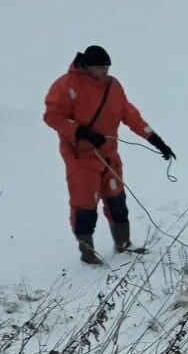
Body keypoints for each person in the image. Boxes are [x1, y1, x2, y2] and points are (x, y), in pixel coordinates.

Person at [43, 44, 176, 264]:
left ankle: (123, 243)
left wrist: (156, 141)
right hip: (81, 158)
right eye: (101, 68)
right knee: (85, 205)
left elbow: (130, 115)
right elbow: (51, 116)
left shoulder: (113, 86)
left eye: (107, 67)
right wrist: (80, 131)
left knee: (117, 200)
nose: (105, 72)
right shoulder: (66, 85)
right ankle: (87, 254)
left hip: (109, 155)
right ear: (87, 67)